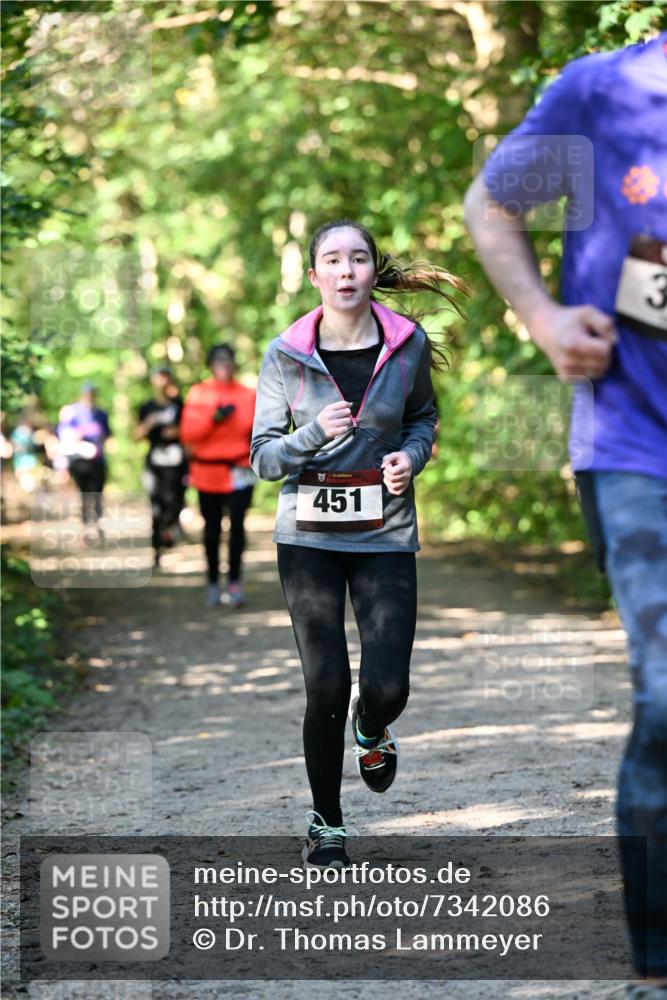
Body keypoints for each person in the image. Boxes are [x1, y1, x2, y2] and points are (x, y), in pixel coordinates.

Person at [464, 33, 667, 998]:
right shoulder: (604, 91)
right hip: (637, 445)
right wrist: (544, 319)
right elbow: (493, 203)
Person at [251, 219, 467, 869]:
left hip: (384, 531)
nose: (345, 270)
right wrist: (310, 434)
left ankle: (372, 729)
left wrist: (410, 455)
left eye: (358, 259)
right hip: (309, 537)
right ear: (314, 275)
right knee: (325, 683)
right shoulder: (284, 354)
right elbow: (263, 458)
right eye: (331, 260)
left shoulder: (405, 344)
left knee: (386, 685)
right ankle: (327, 823)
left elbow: (424, 419)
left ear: (374, 271)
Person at [180, 344, 256, 608]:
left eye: (228, 359)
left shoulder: (249, 395)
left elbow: (262, 431)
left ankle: (235, 583)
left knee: (237, 527)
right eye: (218, 360)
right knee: (211, 530)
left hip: (240, 471)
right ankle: (213, 582)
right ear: (211, 365)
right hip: (207, 472)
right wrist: (213, 418)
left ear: (235, 364)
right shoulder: (199, 393)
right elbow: (188, 435)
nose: (224, 364)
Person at [135, 366, 187, 569]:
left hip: (177, 464)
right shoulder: (146, 407)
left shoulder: (179, 405)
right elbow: (137, 435)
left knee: (174, 504)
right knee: (155, 507)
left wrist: (177, 432)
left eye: (166, 377)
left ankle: (170, 528)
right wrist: (149, 423)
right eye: (159, 377)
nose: (162, 382)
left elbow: (191, 430)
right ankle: (156, 550)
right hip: (154, 464)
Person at [57, 381, 111, 537]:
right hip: (79, 461)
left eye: (93, 393)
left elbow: (107, 436)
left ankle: (98, 524)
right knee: (84, 494)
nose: (90, 396)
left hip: (98, 461)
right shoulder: (72, 413)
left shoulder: (101, 414)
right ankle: (86, 527)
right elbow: (63, 434)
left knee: (98, 494)